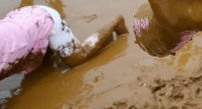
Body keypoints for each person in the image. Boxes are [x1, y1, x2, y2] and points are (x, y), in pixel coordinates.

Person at [0, 5, 128, 80]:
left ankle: (116, 23)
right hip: (23, 18)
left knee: (76, 59)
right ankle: (47, 47)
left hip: (42, 19)